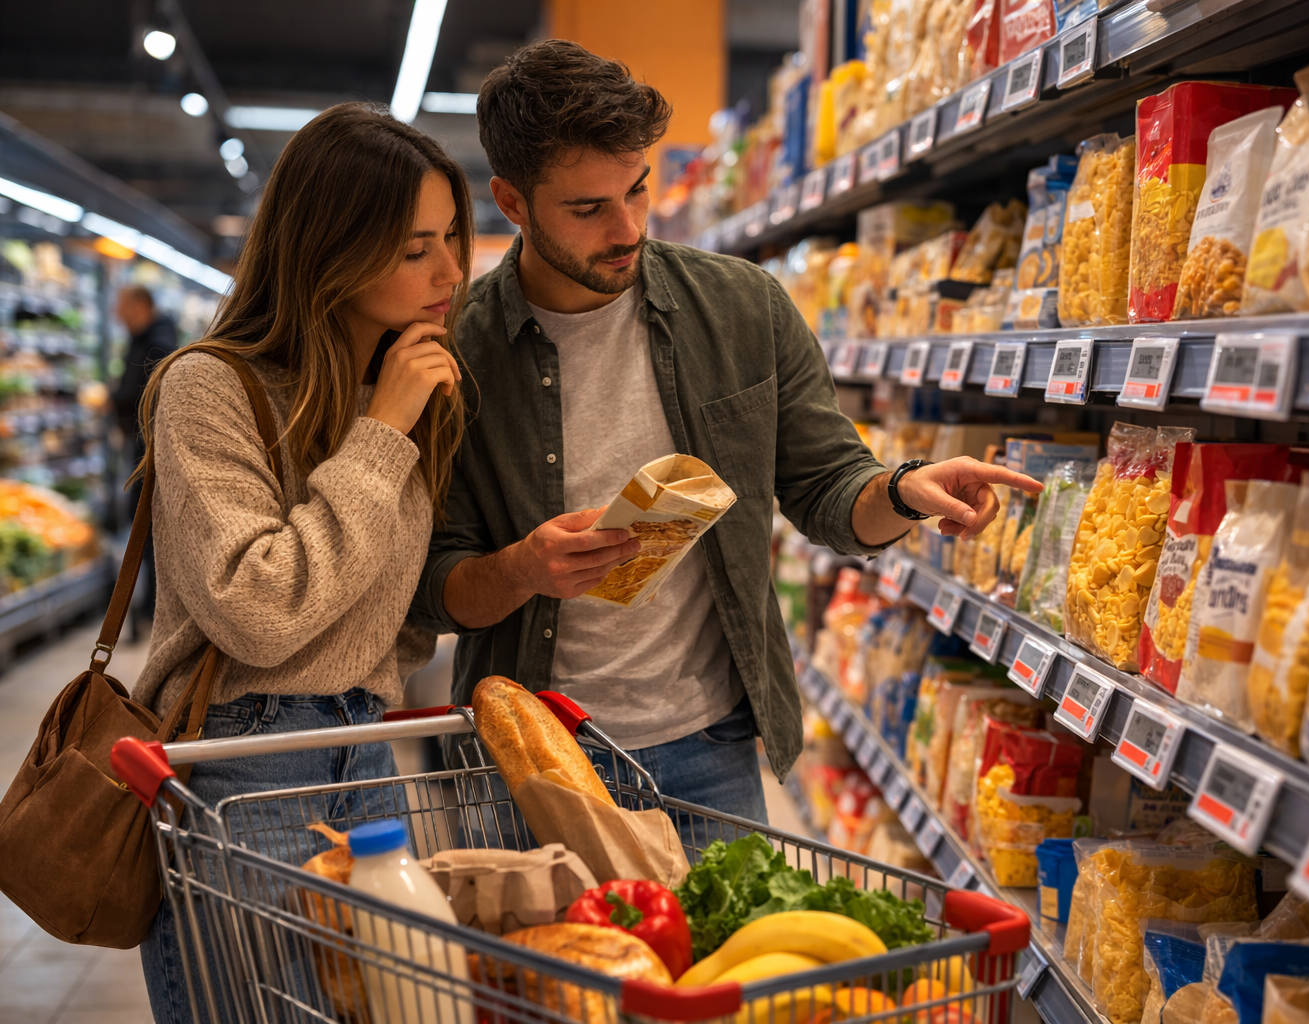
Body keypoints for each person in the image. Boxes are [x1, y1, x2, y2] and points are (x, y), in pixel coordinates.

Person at [410, 40, 1039, 823]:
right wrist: (520, 569)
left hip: (708, 750)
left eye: (638, 191)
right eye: (588, 208)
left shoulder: (742, 307)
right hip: (531, 756)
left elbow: (827, 490)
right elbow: (431, 588)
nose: (627, 226)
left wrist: (905, 491)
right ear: (511, 202)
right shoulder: (453, 350)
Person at [132, 103, 470, 1023]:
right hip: (248, 762)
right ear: (331, 249)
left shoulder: (402, 386)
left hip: (372, 749)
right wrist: (383, 433)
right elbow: (259, 609)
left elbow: (385, 606)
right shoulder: (210, 386)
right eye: (413, 250)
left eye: (450, 240)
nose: (449, 273)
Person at [111, 285, 177, 640]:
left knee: (147, 533)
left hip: (149, 455)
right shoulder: (148, 338)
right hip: (143, 450)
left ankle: (152, 612)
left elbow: (144, 400)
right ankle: (147, 612)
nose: (117, 313)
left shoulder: (158, 345)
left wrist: (115, 399)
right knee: (144, 533)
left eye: (121, 305)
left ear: (140, 306)